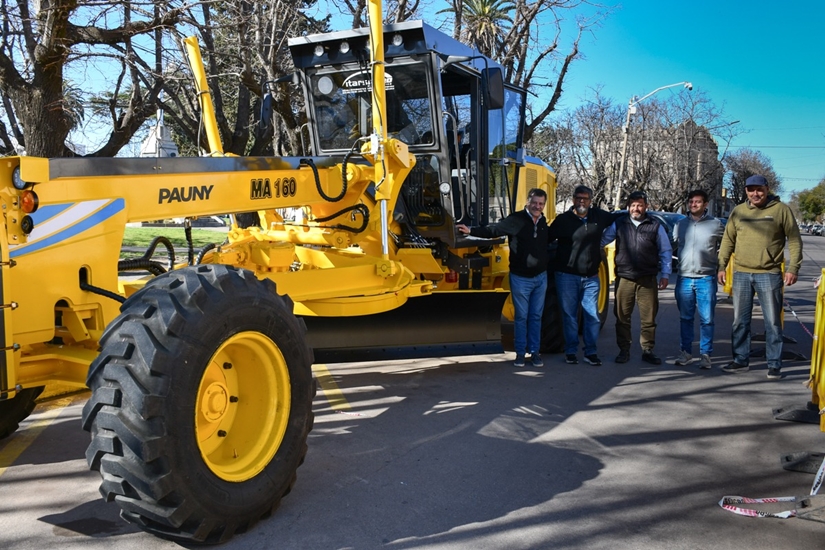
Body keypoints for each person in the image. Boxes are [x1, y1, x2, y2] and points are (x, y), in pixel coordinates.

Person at [717, 174, 802, 379]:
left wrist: (793, 268)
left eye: (759, 189)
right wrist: (721, 266)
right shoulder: (738, 211)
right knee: (740, 321)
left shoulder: (781, 210)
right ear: (746, 191)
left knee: (772, 321)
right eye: (751, 189)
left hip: (769, 274)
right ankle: (740, 360)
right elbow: (728, 240)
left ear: (767, 188)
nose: (755, 193)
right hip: (741, 273)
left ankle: (774, 364)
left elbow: (794, 240)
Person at [457, 188, 548, 368]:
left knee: (536, 317)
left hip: (540, 278)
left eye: (541, 204)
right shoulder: (516, 220)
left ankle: (535, 353)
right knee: (521, 317)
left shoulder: (543, 222)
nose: (538, 206)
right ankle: (521, 354)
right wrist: (471, 230)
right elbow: (494, 230)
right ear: (528, 202)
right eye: (535, 203)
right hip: (521, 278)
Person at [548, 185, 618, 366]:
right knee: (569, 315)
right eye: (578, 198)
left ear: (591, 201)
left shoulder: (599, 216)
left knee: (592, 315)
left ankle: (591, 352)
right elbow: (544, 239)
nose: (581, 201)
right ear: (573, 199)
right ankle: (571, 351)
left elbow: (620, 219)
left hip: (591, 277)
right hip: (566, 276)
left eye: (585, 199)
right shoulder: (563, 220)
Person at [601, 191, 672, 365]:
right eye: (633, 205)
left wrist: (665, 274)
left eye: (640, 205)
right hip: (625, 278)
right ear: (628, 207)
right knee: (622, 317)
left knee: (648, 318)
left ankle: (647, 350)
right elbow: (602, 241)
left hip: (647, 279)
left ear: (646, 206)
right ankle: (623, 350)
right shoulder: (619, 224)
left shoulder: (655, 226)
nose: (636, 208)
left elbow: (665, 251)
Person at [673, 190, 725, 369]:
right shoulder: (680, 224)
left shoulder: (716, 224)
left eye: (698, 202)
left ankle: (705, 354)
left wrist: (722, 267)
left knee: (707, 319)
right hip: (684, 278)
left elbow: (726, 246)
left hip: (706, 278)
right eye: (691, 202)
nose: (694, 205)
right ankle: (686, 353)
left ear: (705, 204)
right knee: (685, 318)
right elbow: (672, 246)